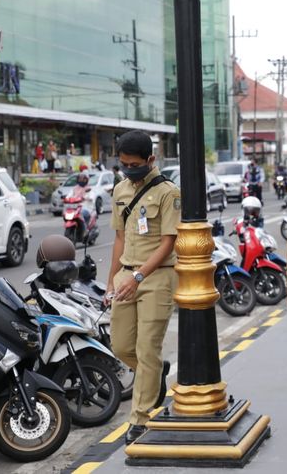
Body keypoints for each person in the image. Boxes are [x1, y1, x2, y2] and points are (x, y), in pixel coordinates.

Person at [105, 130, 180, 445]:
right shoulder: (120, 190)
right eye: (123, 164)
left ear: (151, 160)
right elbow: (120, 238)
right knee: (120, 346)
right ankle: (156, 371)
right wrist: (111, 281)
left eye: (134, 164)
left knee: (147, 348)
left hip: (157, 277)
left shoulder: (168, 192)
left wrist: (139, 277)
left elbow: (168, 243)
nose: (128, 169)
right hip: (127, 274)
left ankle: (140, 418)